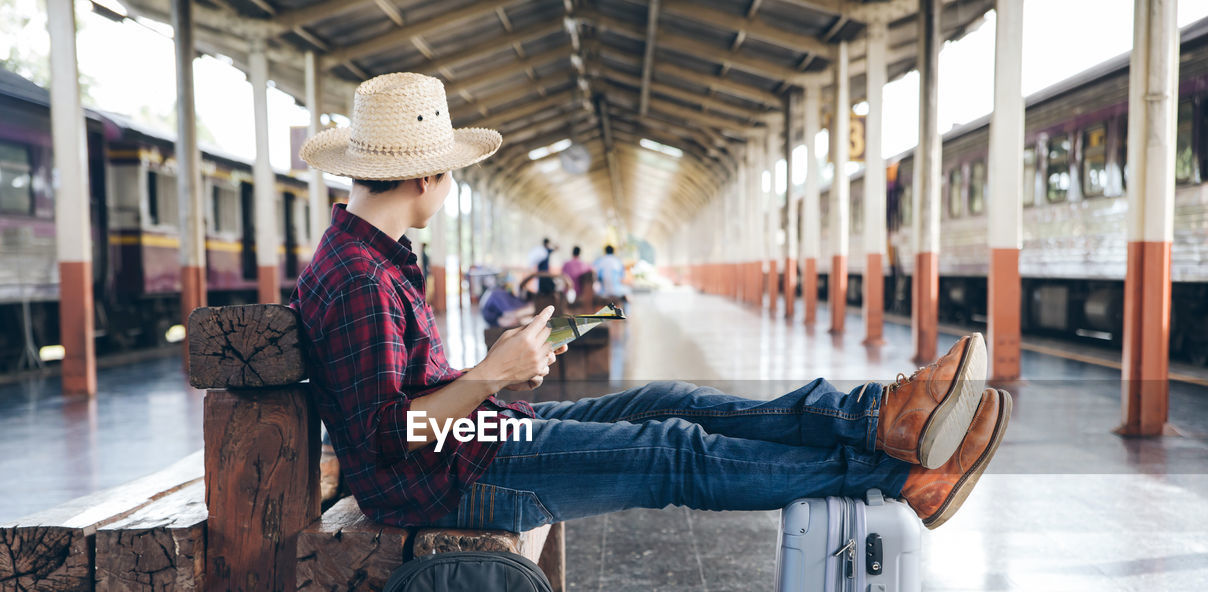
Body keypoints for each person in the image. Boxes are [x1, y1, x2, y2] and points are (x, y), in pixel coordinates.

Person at [292, 72, 1011, 534]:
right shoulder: (360, 275)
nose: (449, 190)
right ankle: (904, 476)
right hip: (450, 479)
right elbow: (392, 434)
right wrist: (491, 374)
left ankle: (878, 418)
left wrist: (502, 374)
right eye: (451, 175)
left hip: (472, 445)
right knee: (669, 450)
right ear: (427, 176)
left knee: (671, 398)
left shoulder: (366, 258)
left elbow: (401, 405)